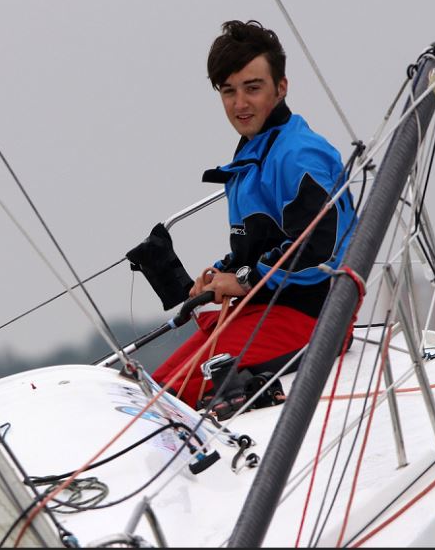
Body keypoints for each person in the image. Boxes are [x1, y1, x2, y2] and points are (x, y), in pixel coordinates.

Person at [151, 20, 356, 409]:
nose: (239, 104)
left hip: (311, 318)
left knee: (169, 396)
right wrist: (223, 270)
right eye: (228, 91)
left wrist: (244, 279)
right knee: (154, 386)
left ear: (281, 88)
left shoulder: (299, 154)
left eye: (252, 88)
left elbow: (318, 249)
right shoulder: (255, 149)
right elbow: (266, 239)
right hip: (267, 309)